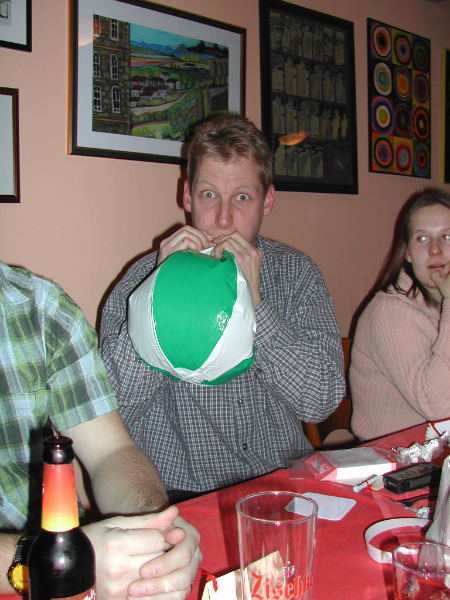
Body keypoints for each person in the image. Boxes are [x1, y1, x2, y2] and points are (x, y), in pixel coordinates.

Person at [100, 114, 345, 502]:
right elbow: (110, 411)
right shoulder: (142, 279)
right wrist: (159, 298)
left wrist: (258, 307)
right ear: (187, 196)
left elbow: (321, 401)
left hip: (283, 484)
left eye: (242, 197)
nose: (224, 218)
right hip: (183, 493)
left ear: (267, 201)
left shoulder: (296, 274)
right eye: (209, 195)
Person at [0, 261, 201, 599]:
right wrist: (50, 562)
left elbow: (111, 452)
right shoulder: (139, 281)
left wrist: (154, 529)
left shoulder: (43, 307)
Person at [350, 189, 450, 441]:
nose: (435, 250)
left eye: (447, 237)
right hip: (393, 460)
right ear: (407, 252)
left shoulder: (439, 305)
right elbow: (439, 409)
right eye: (422, 238)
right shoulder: (390, 313)